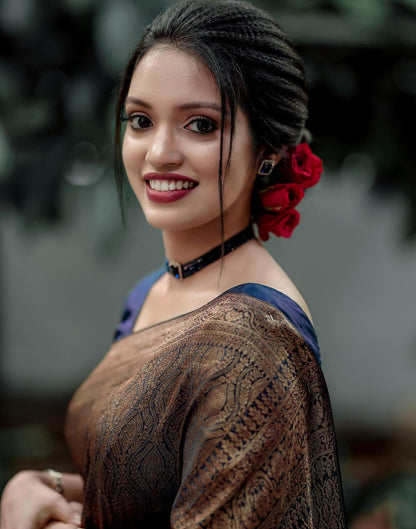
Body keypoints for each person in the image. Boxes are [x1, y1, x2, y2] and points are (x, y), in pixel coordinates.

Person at [0, 0, 347, 527]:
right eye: (140, 120)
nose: (159, 152)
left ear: (269, 151)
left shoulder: (251, 345)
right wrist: (40, 485)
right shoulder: (154, 291)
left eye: (201, 125)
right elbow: (152, 489)